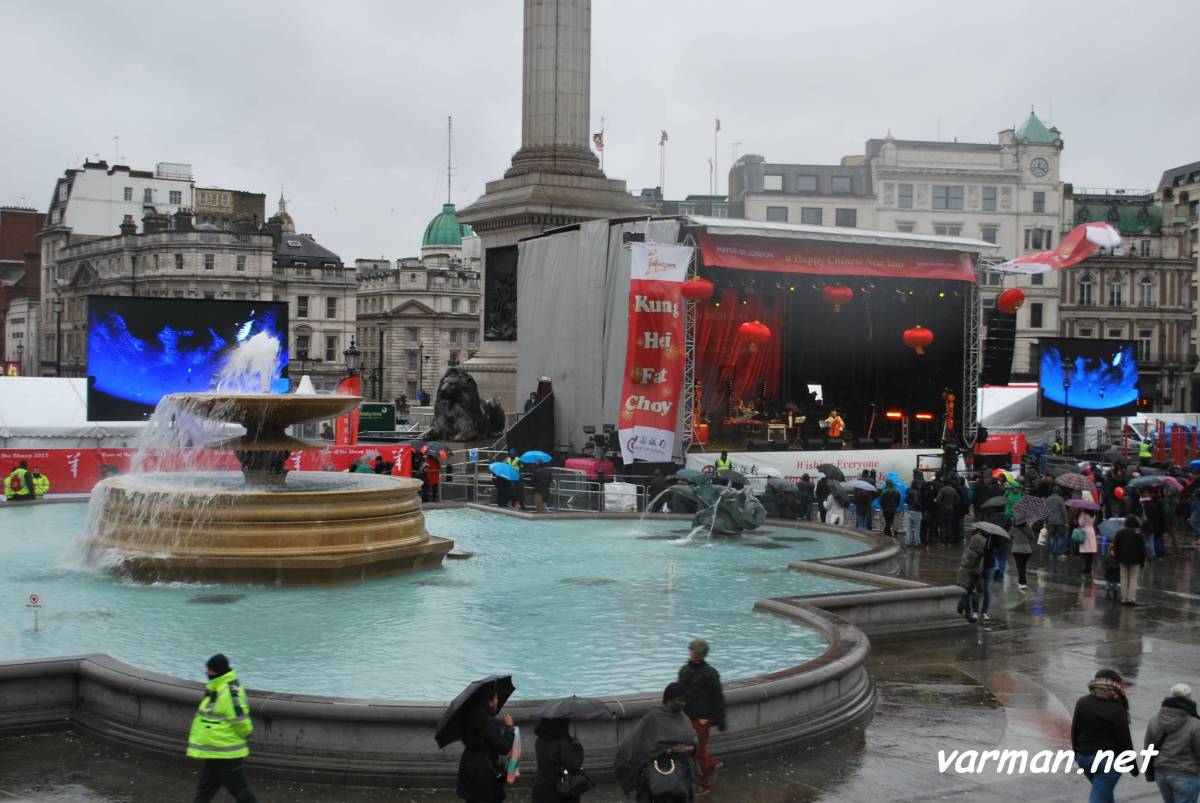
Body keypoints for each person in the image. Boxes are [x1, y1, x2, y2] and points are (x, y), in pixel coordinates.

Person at [188, 653, 258, 803]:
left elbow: (240, 720)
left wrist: (247, 733)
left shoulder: (228, 691)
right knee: (205, 790)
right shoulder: (217, 687)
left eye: (209, 669)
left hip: (226, 751)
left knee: (239, 791)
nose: (206, 672)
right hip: (216, 749)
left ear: (217, 671)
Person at [613, 682, 698, 803]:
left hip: (680, 773)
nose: (684, 704)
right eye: (680, 700)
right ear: (669, 699)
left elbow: (693, 738)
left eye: (685, 701)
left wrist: (690, 749)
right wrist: (666, 750)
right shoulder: (653, 717)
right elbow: (637, 745)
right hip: (654, 773)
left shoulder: (682, 717)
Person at [1071, 668, 1137, 802]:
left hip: (1084, 757)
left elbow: (1075, 731)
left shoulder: (1082, 702)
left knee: (1104, 793)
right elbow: (1124, 740)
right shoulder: (1117, 708)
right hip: (1107, 763)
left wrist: (1077, 754)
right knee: (1100, 796)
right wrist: (1133, 766)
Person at [677, 639, 726, 795]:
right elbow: (679, 691)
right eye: (691, 650)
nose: (691, 653)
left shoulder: (710, 673)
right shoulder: (684, 670)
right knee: (694, 750)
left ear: (700, 654)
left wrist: (721, 719)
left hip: (702, 719)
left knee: (699, 751)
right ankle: (712, 765)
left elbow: (718, 697)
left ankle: (704, 784)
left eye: (694, 651)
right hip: (687, 716)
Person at [457, 684, 516, 803]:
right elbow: (504, 747)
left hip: (469, 765)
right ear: (489, 702)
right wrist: (509, 728)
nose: (497, 700)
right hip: (485, 770)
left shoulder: (469, 719)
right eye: (495, 698)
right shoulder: (488, 722)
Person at [1144, 683, 1200, 803]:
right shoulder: (1195, 723)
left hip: (1161, 773)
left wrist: (1148, 773)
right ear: (1189, 697)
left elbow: (1148, 748)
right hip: (1185, 774)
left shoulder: (1154, 720)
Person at [531, 717, 585, 803]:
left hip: (540, 788)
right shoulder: (563, 742)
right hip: (560, 790)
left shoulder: (540, 739)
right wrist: (578, 746)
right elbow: (574, 765)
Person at [956, 525, 988, 623]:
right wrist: (980, 587)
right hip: (970, 577)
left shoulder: (968, 550)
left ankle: (966, 613)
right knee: (967, 595)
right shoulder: (977, 556)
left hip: (963, 574)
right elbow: (976, 571)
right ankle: (960, 609)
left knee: (967, 594)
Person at [1114, 515, 1147, 606]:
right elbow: (1142, 550)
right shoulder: (1139, 534)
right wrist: (1142, 561)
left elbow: (1116, 547)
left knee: (1123, 577)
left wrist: (1117, 557)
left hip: (1122, 558)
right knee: (1133, 578)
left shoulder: (1119, 533)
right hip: (1135, 560)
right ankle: (1131, 599)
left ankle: (1124, 599)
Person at [1009, 518, 1035, 592]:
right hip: (1027, 550)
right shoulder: (1028, 528)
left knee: (1020, 567)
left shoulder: (1013, 529)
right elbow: (1032, 537)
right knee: (1023, 566)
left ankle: (1022, 583)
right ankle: (1022, 582)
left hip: (1017, 550)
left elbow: (1009, 537)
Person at [1047, 486, 1069, 559]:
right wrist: (1066, 521)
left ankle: (1052, 553)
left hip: (1051, 521)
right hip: (1060, 521)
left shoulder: (1048, 499)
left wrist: (1045, 522)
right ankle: (1059, 553)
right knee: (1061, 537)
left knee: (1051, 537)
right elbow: (1063, 511)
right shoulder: (1060, 499)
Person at [1078, 509, 1099, 581]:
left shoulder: (1083, 514)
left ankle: (1087, 567)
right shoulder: (1093, 514)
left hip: (1085, 531)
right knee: (1090, 551)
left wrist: (1080, 516)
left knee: (1085, 551)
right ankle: (1089, 566)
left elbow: (1081, 523)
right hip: (1091, 531)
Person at [904, 479, 923, 548]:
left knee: (908, 527)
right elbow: (916, 501)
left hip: (909, 510)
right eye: (919, 484)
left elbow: (906, 500)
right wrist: (921, 507)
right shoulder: (916, 492)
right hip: (916, 511)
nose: (920, 485)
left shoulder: (909, 491)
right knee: (917, 528)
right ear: (916, 485)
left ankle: (908, 542)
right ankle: (917, 542)